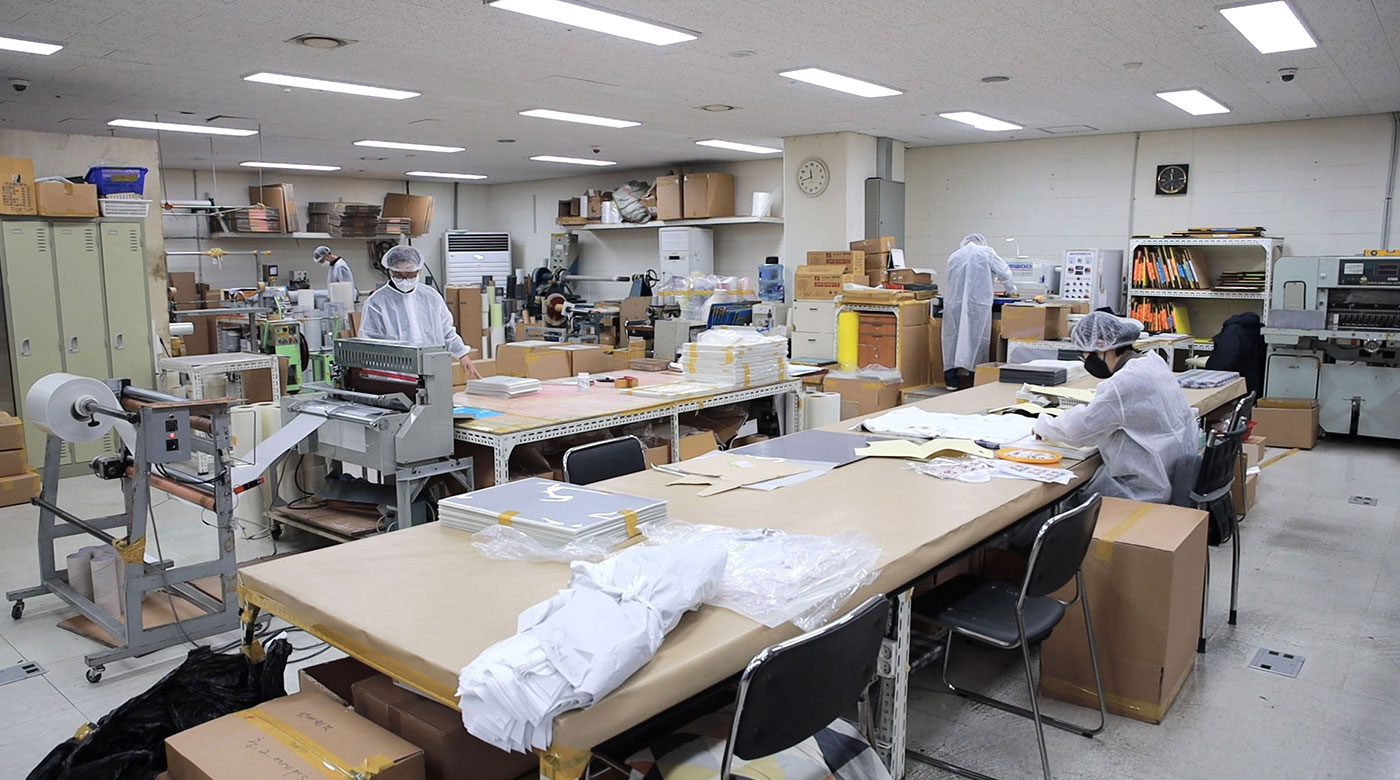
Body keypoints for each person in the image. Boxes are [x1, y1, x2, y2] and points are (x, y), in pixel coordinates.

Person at [1032, 312, 1197, 503]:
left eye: (1086, 355)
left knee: (1063, 501)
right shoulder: (1152, 362)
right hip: (1170, 475)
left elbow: (1079, 430)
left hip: (1142, 491)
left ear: (1103, 346)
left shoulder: (1125, 382)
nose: (1086, 361)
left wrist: (1043, 424)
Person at [359, 246, 481, 379]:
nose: (404, 280)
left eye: (410, 275)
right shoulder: (376, 302)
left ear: (419, 271)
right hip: (395, 375)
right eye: (398, 275)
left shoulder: (431, 297)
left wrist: (462, 355)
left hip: (432, 371)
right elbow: (370, 343)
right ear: (390, 271)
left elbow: (447, 331)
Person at [942, 233, 1016, 390]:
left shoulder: (955, 256)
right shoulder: (986, 253)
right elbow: (1004, 272)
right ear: (982, 242)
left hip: (954, 303)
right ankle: (975, 378)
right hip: (977, 304)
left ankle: (951, 380)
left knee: (952, 338)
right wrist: (1011, 289)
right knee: (977, 338)